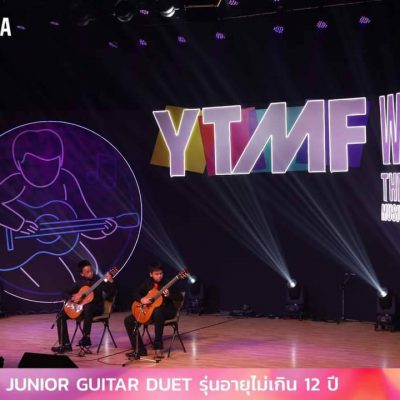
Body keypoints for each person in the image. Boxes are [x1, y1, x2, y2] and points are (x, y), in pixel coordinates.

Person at [51, 259, 116, 353]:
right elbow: (64, 292)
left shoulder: (99, 280)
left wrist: (111, 282)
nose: (91, 273)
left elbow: (111, 294)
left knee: (87, 307)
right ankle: (65, 345)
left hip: (96, 308)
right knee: (60, 316)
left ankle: (86, 337)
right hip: (82, 310)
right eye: (87, 272)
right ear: (82, 274)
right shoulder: (79, 283)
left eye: (91, 270)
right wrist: (72, 298)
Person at [124, 263, 182, 358]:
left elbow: (180, 297)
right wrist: (141, 299)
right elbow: (135, 292)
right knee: (128, 320)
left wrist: (169, 295)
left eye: (161, 273)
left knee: (157, 311)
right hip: (150, 311)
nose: (159, 276)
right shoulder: (147, 282)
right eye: (156, 274)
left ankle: (158, 346)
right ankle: (140, 350)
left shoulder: (168, 282)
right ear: (151, 274)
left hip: (167, 311)